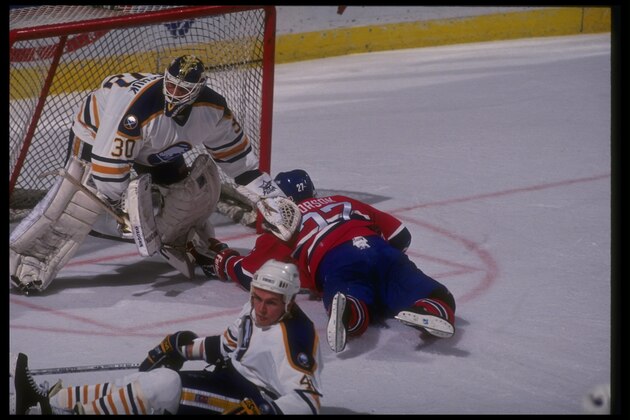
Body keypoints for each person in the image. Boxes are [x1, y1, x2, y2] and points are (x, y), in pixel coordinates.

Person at [10, 54, 298, 295]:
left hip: (155, 143)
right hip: (99, 129)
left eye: (182, 89)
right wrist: (120, 205)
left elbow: (241, 165)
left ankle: (183, 238)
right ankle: (30, 257)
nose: (173, 93)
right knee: (83, 200)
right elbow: (109, 172)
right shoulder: (138, 111)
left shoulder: (213, 111)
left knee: (190, 190)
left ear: (199, 88)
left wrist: (270, 196)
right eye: (170, 85)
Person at [10, 260, 323, 415]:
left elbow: (308, 402)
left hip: (251, 401)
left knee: (163, 386)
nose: (261, 308)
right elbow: (226, 345)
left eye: (271, 303)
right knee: (150, 380)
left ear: (290, 301)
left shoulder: (296, 337)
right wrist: (180, 348)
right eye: (258, 298)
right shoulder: (253, 308)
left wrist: (267, 412)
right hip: (226, 379)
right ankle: (47, 402)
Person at [206, 169, 457, 353]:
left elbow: (251, 273)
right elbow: (401, 235)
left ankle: (351, 311)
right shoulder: (342, 200)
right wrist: (384, 258)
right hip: (378, 247)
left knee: (346, 287)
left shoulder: (282, 224)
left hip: (334, 259)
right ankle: (432, 306)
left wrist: (225, 261)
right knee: (414, 283)